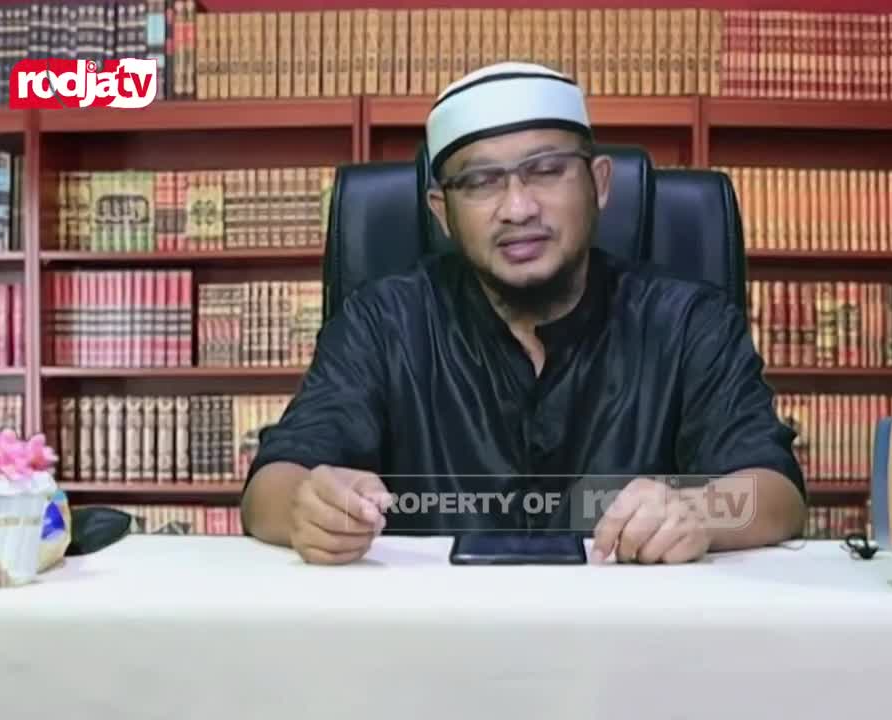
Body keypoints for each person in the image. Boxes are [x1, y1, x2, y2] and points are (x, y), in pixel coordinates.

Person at [241, 62, 807, 565]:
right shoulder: (382, 323)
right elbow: (271, 485)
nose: (518, 208)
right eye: (480, 182)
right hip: (428, 647)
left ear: (599, 183)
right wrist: (306, 506)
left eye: (546, 170)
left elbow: (777, 495)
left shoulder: (688, 322)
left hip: (634, 650)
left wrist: (700, 513)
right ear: (442, 211)